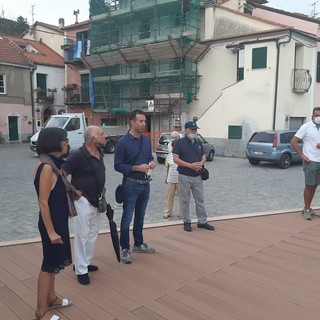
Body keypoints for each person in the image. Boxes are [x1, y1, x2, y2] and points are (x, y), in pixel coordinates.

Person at [33, 127, 74, 320]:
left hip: (58, 221)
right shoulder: (47, 167)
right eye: (64, 140)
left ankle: (51, 297)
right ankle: (41, 311)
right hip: (51, 224)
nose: (67, 143)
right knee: (48, 265)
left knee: (54, 262)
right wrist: (51, 232)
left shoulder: (54, 164)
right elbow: (42, 201)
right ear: (54, 142)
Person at [62, 126, 106, 285]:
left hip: (96, 199)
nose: (104, 136)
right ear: (93, 139)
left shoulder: (100, 153)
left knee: (92, 234)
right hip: (83, 201)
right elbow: (62, 174)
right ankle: (80, 270)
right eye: (101, 134)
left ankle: (85, 263)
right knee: (82, 236)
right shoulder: (78, 156)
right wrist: (74, 191)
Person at [114, 109, 156, 264]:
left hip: (145, 184)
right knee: (127, 218)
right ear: (132, 122)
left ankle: (138, 244)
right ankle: (124, 248)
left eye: (144, 121)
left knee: (141, 216)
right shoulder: (123, 142)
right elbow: (117, 165)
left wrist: (152, 163)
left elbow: (150, 157)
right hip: (130, 184)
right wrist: (135, 168)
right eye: (140, 121)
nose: (144, 124)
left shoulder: (146, 140)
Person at [173, 121, 214, 232]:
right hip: (184, 175)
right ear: (186, 131)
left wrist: (201, 163)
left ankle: (202, 221)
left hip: (197, 176)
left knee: (200, 199)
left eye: (195, 130)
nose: (194, 132)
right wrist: (189, 165)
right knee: (185, 200)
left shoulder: (198, 142)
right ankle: (187, 222)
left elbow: (203, 156)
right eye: (192, 130)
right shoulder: (179, 143)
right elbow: (175, 159)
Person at [291, 106, 320, 220]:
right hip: (310, 161)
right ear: (312, 116)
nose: (318, 118)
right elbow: (293, 141)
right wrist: (302, 156)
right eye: (317, 115)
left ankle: (308, 208)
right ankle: (306, 209)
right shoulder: (306, 127)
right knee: (309, 185)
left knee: (315, 185)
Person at [163, 131, 182, 219]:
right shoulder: (169, 155)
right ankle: (167, 212)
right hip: (171, 178)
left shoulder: (183, 154)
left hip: (180, 179)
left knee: (182, 197)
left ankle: (182, 213)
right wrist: (166, 178)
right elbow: (167, 167)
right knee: (169, 197)